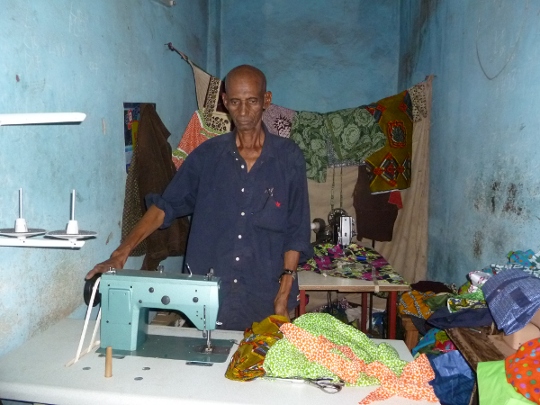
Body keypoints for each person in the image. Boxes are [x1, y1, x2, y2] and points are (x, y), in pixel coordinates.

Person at [86, 65, 313, 331]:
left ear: (266, 100)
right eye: (236, 102)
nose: (243, 111)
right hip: (210, 291)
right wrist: (119, 254)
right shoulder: (207, 156)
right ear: (225, 102)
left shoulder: (288, 158)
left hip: (266, 292)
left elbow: (296, 230)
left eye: (252, 101)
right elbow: (164, 207)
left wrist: (283, 294)